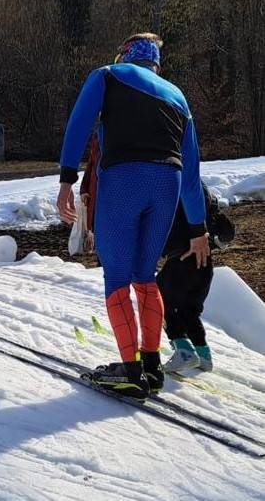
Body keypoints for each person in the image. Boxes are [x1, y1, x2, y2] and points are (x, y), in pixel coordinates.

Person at [57, 33, 211, 400]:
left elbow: (79, 124)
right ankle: (153, 366)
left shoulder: (108, 74)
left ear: (126, 56)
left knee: (117, 278)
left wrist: (66, 178)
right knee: (145, 276)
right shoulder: (178, 96)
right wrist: (198, 228)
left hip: (124, 179)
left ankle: (130, 371)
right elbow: (192, 173)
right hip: (167, 185)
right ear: (156, 64)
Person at [159, 183, 234, 373]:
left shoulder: (172, 186)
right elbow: (224, 229)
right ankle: (203, 354)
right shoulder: (203, 191)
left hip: (182, 259)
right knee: (189, 311)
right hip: (205, 264)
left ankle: (183, 350)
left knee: (158, 299)